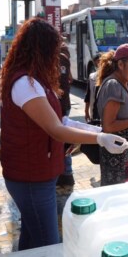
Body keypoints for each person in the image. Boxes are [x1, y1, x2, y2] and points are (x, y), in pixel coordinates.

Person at [0, 18, 128, 251]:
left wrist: (95, 130)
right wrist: (100, 139)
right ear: (41, 50)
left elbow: (59, 120)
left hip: (37, 173)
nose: (57, 58)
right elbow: (56, 130)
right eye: (54, 51)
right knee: (48, 246)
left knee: (31, 239)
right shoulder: (25, 84)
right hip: (30, 177)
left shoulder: (36, 80)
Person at [95, 44, 128, 186]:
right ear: (120, 64)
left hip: (124, 158)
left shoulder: (122, 83)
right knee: (120, 201)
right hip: (118, 162)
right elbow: (108, 126)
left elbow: (124, 113)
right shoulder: (113, 85)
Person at [57, 44, 75, 187]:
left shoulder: (48, 59)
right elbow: (70, 78)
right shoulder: (64, 59)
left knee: (60, 141)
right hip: (65, 105)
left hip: (58, 106)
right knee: (64, 141)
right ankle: (67, 174)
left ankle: (65, 174)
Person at [84, 54, 101, 123]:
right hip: (95, 114)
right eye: (97, 62)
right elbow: (88, 96)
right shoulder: (92, 77)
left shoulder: (112, 78)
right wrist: (86, 112)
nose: (99, 63)